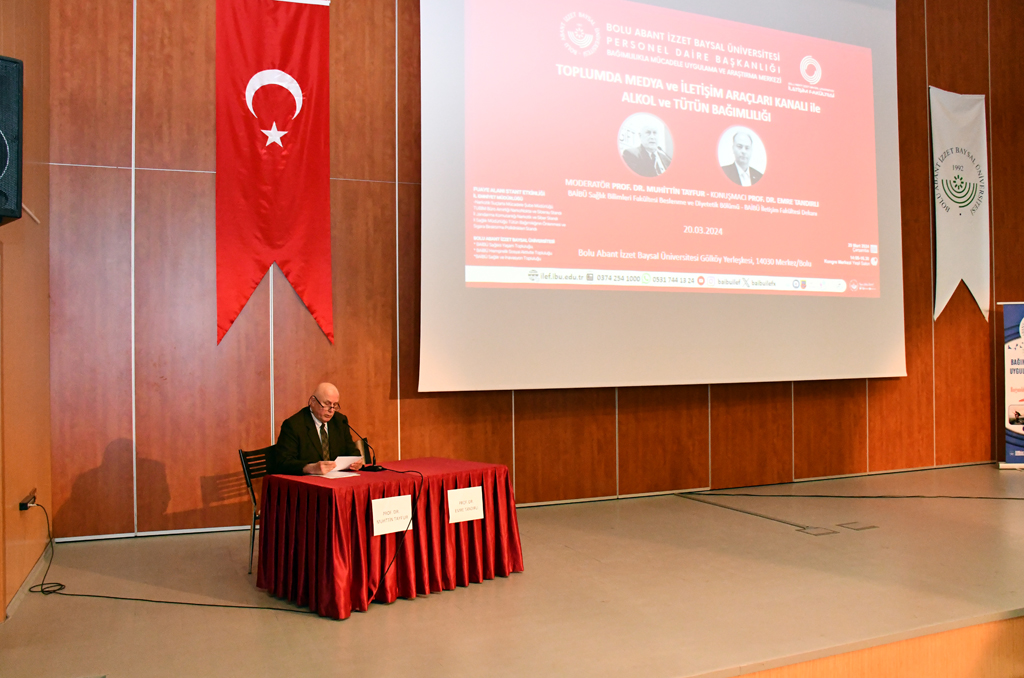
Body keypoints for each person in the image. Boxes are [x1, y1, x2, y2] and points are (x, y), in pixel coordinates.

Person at [270, 382, 364, 475]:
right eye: (327, 404)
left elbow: (352, 451)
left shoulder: (340, 421)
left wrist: (356, 462)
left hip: (336, 478)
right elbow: (283, 462)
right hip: (307, 481)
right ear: (313, 402)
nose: (331, 410)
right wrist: (310, 468)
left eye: (335, 405)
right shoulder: (294, 425)